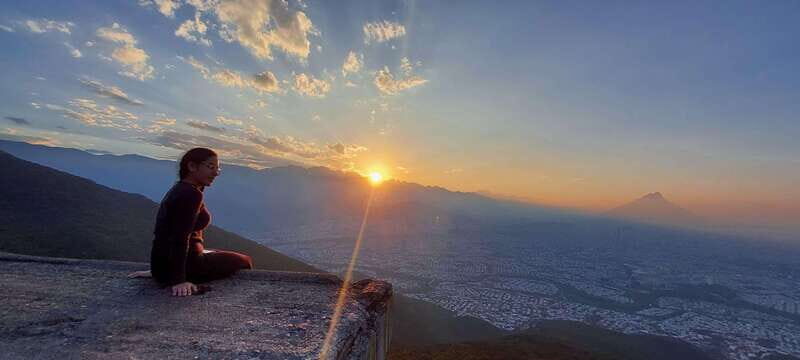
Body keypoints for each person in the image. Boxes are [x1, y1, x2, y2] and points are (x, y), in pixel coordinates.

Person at [131, 147, 253, 296]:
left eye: (218, 169)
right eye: (211, 167)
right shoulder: (191, 194)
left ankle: (168, 271)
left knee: (217, 252)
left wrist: (158, 270)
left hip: (163, 265)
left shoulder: (181, 189)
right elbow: (180, 238)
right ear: (192, 166)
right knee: (245, 260)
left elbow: (162, 234)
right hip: (190, 265)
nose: (215, 173)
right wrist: (178, 280)